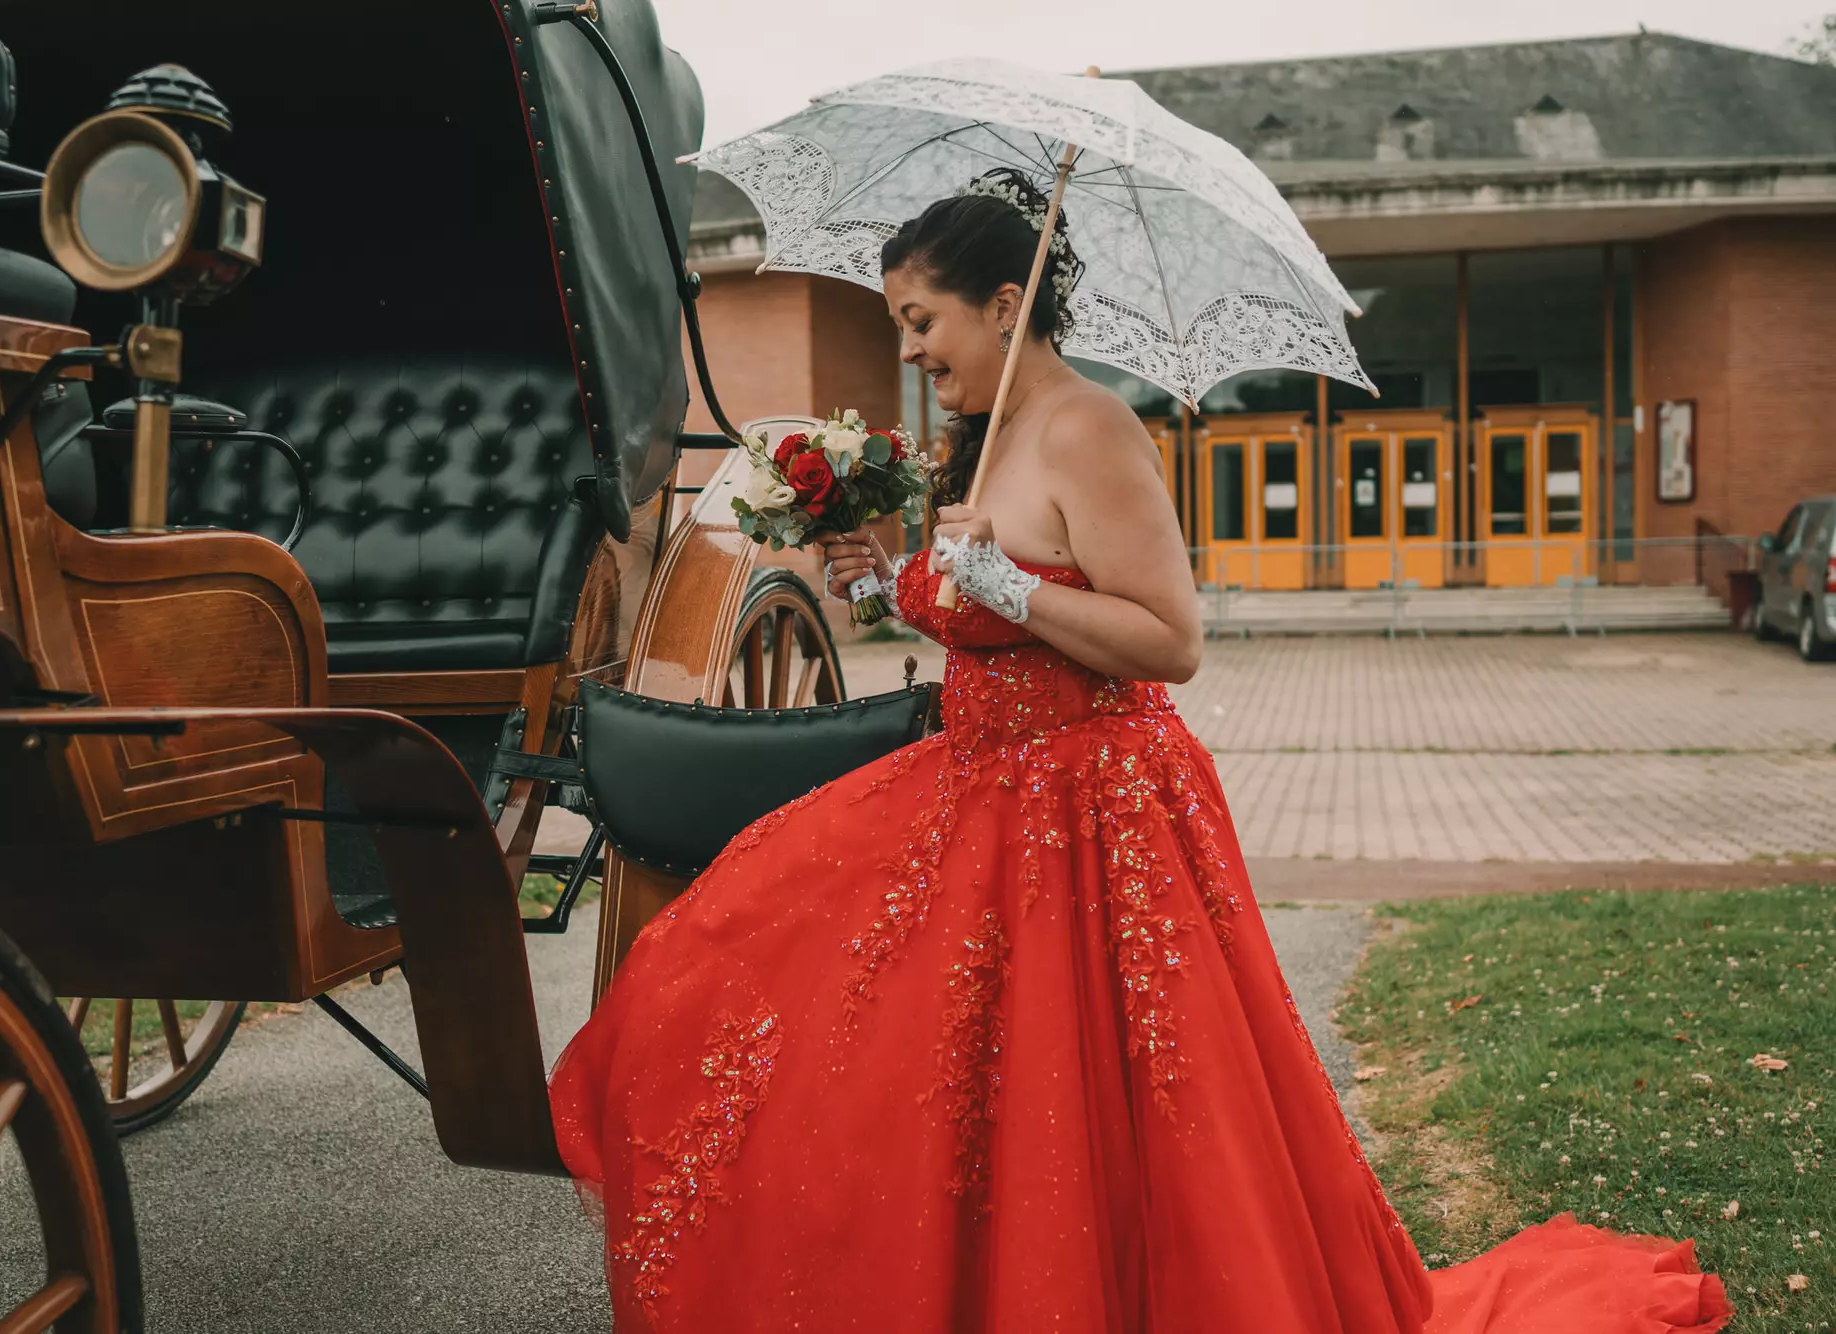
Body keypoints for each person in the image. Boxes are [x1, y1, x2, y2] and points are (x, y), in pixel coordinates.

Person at [547, 167, 1732, 1334]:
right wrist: (899, 585)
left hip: (1094, 805)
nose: (907, 350)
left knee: (1109, 1103)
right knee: (845, 1008)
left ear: (1003, 307)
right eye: (897, 327)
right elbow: (994, 626)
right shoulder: (986, 434)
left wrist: (1001, 578)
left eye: (919, 320)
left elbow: (1169, 640)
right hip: (980, 789)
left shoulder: (1089, 427)